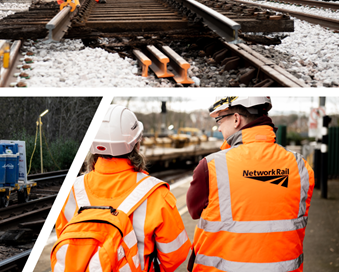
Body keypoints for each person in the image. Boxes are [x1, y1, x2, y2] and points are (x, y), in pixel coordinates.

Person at [56, 105, 191, 271]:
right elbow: (175, 255)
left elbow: (65, 241)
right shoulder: (156, 193)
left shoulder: (72, 190)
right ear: (137, 145)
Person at [187, 97, 315, 271]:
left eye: (219, 119)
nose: (218, 127)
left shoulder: (211, 166)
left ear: (236, 119)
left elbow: (194, 211)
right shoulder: (300, 165)